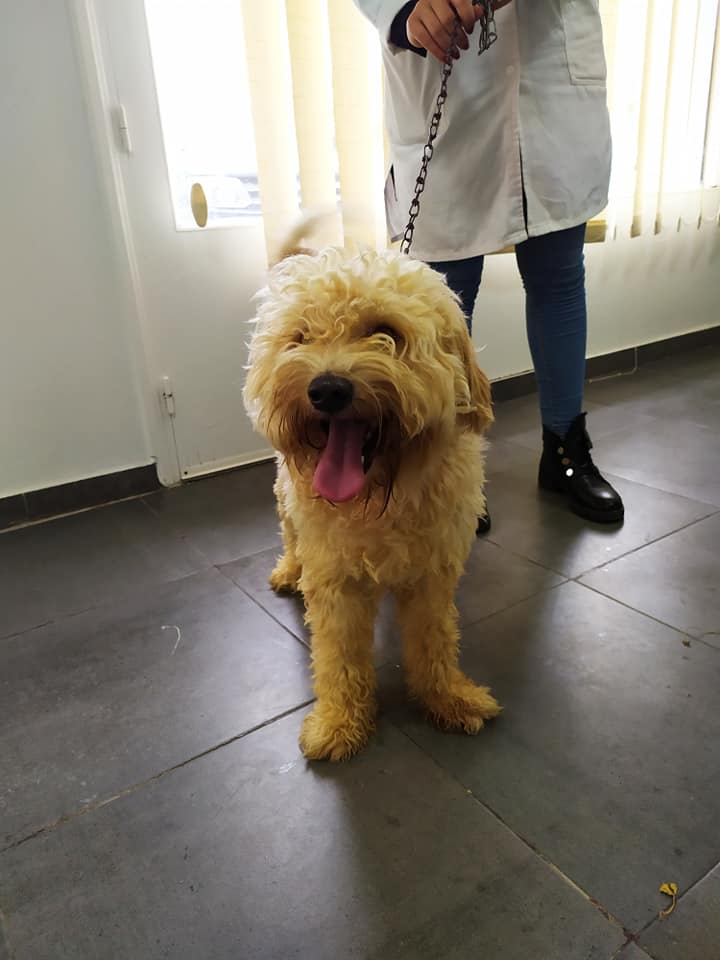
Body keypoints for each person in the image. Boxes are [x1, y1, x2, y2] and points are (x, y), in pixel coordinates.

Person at [353, 0, 624, 529]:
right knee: (440, 302)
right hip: (441, 74)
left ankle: (565, 451)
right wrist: (405, 11)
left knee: (559, 277)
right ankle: (443, 470)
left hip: (551, 86)